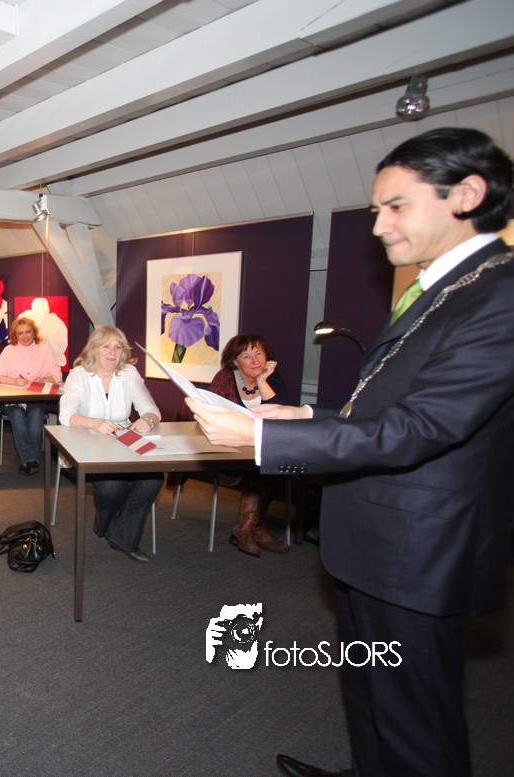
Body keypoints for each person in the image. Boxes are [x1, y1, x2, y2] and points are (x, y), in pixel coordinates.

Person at [187, 128, 514, 777]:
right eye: (375, 209)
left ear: (468, 194)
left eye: (396, 205)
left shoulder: (498, 296)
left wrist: (262, 436)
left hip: (418, 548)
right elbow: (388, 406)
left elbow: (420, 428)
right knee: (369, 692)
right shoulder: (442, 288)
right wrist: (306, 414)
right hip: (375, 538)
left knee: (417, 724)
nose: (379, 224)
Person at [59, 326, 162, 562]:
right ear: (94, 349)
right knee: (112, 486)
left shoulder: (129, 373)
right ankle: (112, 525)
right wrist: (93, 423)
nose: (113, 352)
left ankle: (116, 531)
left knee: (153, 479)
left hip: (123, 442)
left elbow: (152, 410)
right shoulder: (79, 375)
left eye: (118, 347)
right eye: (106, 346)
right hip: (84, 443)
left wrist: (147, 421)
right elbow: (66, 415)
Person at [207, 333, 290, 556]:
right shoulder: (225, 378)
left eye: (259, 353)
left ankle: (247, 527)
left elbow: (282, 416)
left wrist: (262, 382)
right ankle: (252, 528)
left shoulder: (273, 377)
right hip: (228, 450)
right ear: (235, 362)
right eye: (246, 356)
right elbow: (213, 417)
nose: (255, 361)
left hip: (260, 446)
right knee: (264, 462)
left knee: (271, 461)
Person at [0, 315, 63, 475]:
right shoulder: (9, 351)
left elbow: (57, 375)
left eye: (28, 332)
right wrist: (13, 381)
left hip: (35, 397)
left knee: (36, 414)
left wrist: (44, 379)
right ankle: (31, 459)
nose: (25, 336)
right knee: (17, 415)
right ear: (15, 336)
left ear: (34, 332)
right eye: (20, 333)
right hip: (10, 399)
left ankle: (28, 460)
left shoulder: (44, 349)